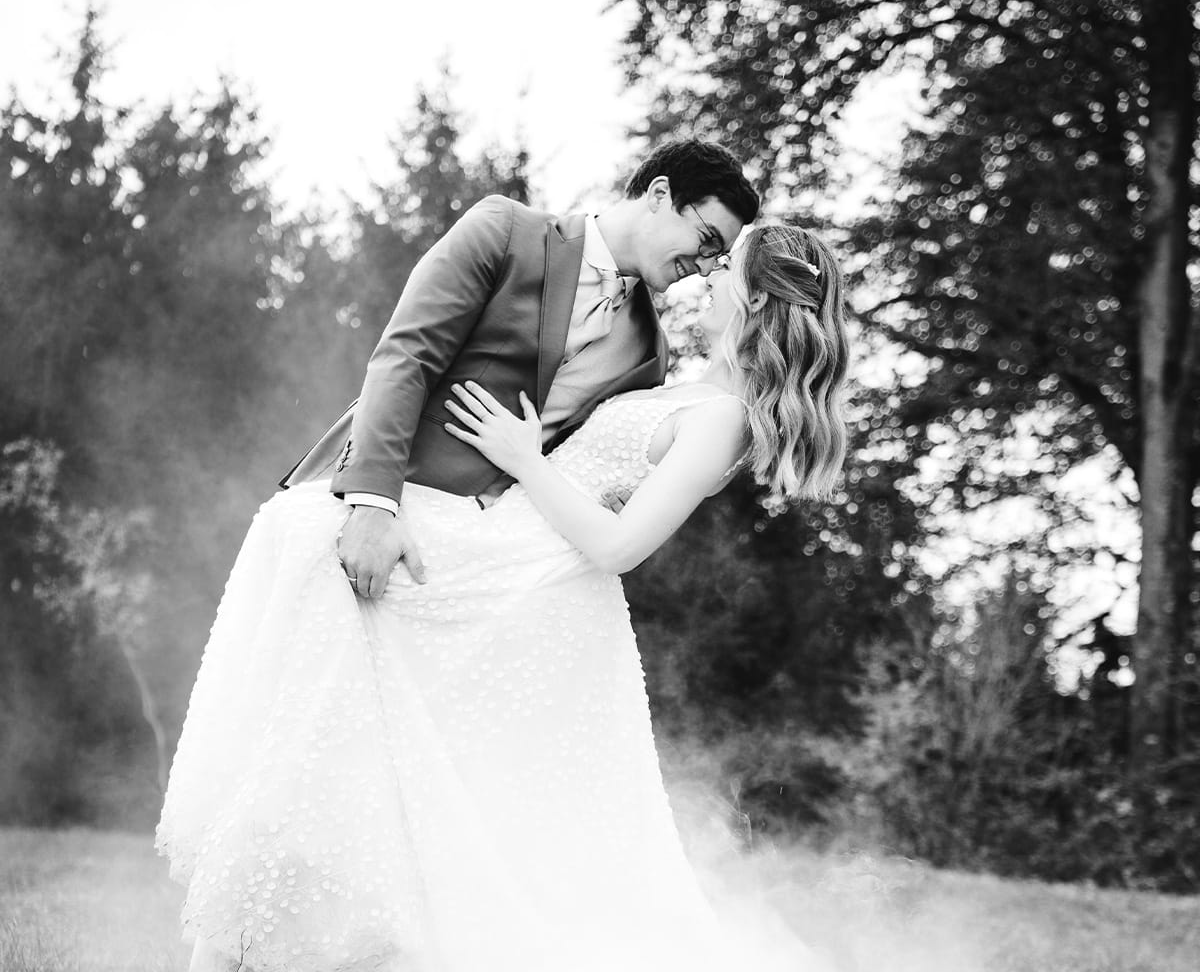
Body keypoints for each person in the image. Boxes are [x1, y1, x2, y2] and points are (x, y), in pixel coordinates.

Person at [156, 223, 849, 972]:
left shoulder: (725, 419)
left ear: (756, 299)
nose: (708, 275)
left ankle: (250, 918)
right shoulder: (684, 384)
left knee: (316, 546)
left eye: (726, 267)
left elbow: (620, 548)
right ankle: (254, 913)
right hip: (503, 545)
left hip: (532, 582)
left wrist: (524, 459)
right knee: (311, 552)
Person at [280, 138, 760, 597]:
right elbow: (407, 356)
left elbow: (583, 462)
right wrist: (373, 505)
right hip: (378, 512)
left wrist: (615, 501)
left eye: (717, 256)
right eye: (706, 240)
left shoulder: (650, 351)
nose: (704, 266)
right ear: (659, 195)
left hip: (491, 567)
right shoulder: (506, 230)